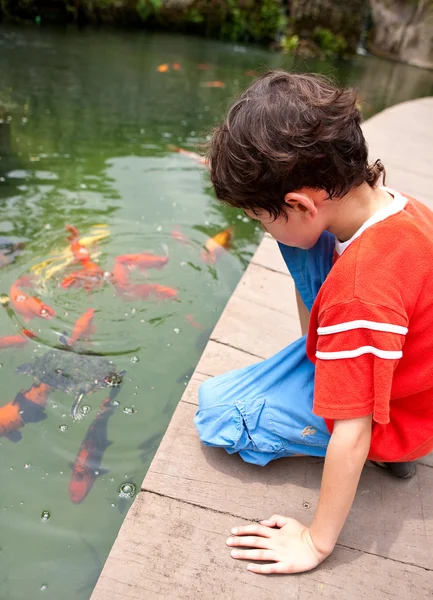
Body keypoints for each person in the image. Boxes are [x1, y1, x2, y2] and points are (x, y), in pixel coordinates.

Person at [194, 70, 433, 575]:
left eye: (262, 216)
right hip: (403, 364)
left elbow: (354, 428)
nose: (261, 226)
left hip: (392, 412)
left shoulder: (361, 293)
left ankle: (386, 452)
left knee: (217, 412)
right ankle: (333, 364)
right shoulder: (404, 209)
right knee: (296, 242)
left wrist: (316, 542)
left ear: (302, 203)